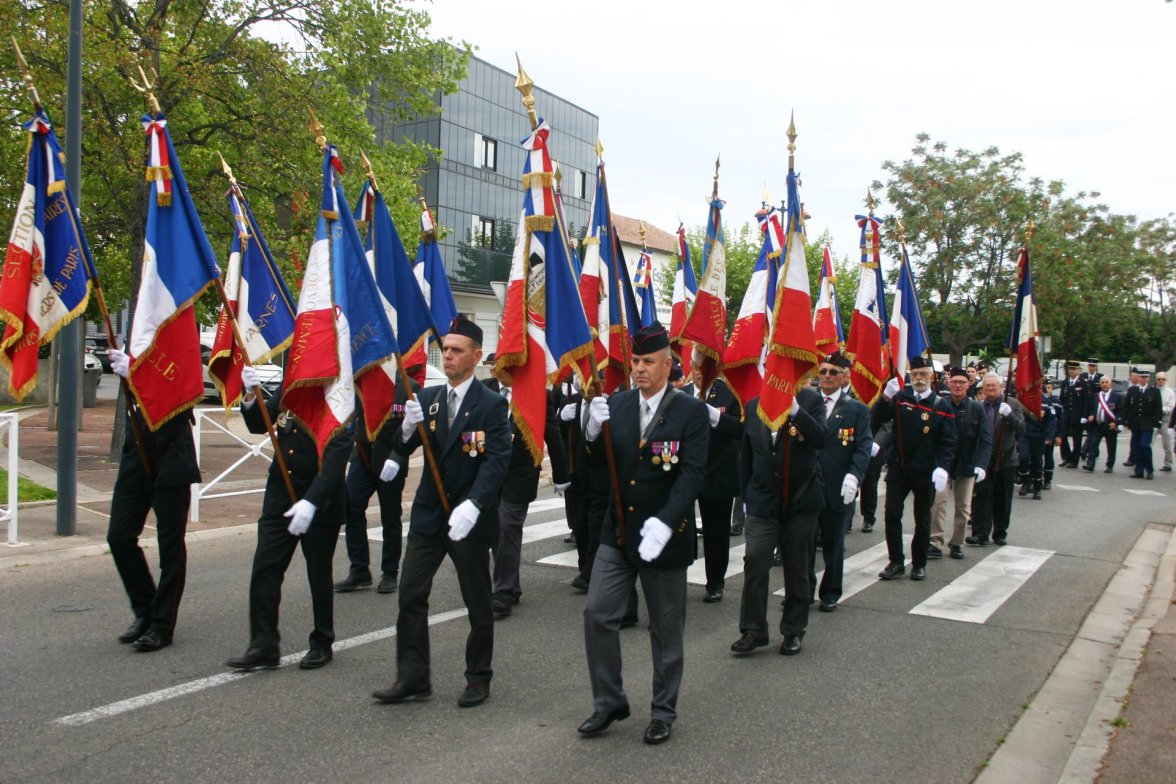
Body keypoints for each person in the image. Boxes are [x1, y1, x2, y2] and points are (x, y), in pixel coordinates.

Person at [577, 323, 708, 746]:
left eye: (648, 361)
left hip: (664, 537)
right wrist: (591, 435)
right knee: (597, 614)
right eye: (635, 361)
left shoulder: (690, 411)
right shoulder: (616, 404)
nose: (638, 369)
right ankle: (609, 701)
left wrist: (666, 521)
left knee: (665, 630)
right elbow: (597, 469)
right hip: (618, 533)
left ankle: (663, 710)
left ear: (668, 365)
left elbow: (692, 475)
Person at [371, 317, 511, 708]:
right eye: (445, 349)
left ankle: (478, 677)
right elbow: (409, 444)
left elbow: (497, 460)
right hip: (430, 515)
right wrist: (404, 433)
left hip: (468, 519)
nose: (447, 356)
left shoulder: (491, 404)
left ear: (476, 357)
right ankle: (413, 677)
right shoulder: (429, 398)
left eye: (456, 350)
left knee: (477, 602)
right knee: (411, 593)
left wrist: (475, 503)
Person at [225, 365, 352, 671]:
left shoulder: (340, 394)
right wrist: (250, 395)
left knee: (318, 574)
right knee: (265, 569)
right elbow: (259, 424)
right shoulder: (291, 385)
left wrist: (312, 501)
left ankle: (322, 641)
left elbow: (338, 454)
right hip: (281, 495)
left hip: (320, 500)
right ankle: (263, 645)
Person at [105, 348, 200, 652]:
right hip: (137, 454)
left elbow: (182, 393)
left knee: (170, 546)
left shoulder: (178, 339)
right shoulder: (138, 337)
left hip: (171, 457)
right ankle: (145, 610)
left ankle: (162, 624)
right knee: (119, 536)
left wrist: (136, 374)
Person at [731, 380, 827, 653]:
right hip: (763, 500)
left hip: (801, 500)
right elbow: (747, 456)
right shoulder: (753, 406)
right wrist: (746, 497)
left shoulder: (810, 401)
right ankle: (753, 630)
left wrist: (796, 411)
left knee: (797, 567)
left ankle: (793, 630)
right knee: (755, 561)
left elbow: (822, 438)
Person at [483, 376, 569, 617]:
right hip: (488, 470)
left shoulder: (537, 394)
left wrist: (561, 474)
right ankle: (511, 584)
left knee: (507, 526)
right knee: (494, 530)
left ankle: (503, 591)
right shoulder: (484, 388)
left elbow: (551, 433)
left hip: (521, 472)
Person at [872, 357, 957, 580]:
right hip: (899, 467)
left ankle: (919, 563)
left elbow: (948, 441)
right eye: (915, 374)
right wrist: (885, 398)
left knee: (922, 519)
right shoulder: (900, 399)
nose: (919, 378)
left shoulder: (941, 405)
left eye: (923, 374)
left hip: (925, 470)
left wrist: (942, 467)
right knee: (892, 514)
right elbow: (877, 419)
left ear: (931, 376)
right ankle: (895, 561)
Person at [335, 384, 417, 595]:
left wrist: (397, 458)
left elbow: (413, 431)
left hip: (391, 460)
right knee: (352, 508)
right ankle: (359, 570)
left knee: (390, 516)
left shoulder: (407, 386)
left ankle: (390, 572)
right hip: (362, 457)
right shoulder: (362, 381)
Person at [809, 352, 871, 610]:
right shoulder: (808, 402)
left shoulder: (856, 409)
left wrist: (854, 476)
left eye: (833, 372)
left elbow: (863, 447)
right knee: (804, 543)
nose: (826, 376)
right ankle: (803, 590)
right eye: (823, 371)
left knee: (833, 544)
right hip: (807, 486)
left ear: (845, 376)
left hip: (837, 485)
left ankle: (831, 592)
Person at [929, 366, 991, 560]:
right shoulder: (940, 405)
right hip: (943, 464)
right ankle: (935, 541)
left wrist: (981, 464)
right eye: (954, 382)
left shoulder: (976, 408)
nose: (957, 385)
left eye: (962, 382)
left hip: (967, 463)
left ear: (968, 385)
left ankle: (956, 543)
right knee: (938, 503)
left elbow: (985, 439)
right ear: (948, 383)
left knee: (963, 508)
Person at [694, 366, 744, 603]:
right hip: (686, 470)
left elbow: (740, 428)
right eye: (695, 366)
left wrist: (716, 417)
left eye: (702, 366)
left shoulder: (729, 392)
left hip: (717, 472)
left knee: (716, 532)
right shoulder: (682, 393)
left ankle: (715, 582)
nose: (698, 372)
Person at [967, 374, 1026, 547]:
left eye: (994, 386)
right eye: (987, 386)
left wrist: (1009, 415)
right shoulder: (978, 406)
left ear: (1001, 387)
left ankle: (1000, 533)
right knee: (982, 496)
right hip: (984, 459)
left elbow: (1022, 428)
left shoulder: (1012, 404)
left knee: (1003, 498)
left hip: (1006, 459)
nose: (990, 389)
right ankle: (980, 533)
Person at [1017, 388, 1057, 500]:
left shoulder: (1046, 401)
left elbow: (1051, 420)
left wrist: (1049, 437)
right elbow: (1018, 418)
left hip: (1039, 435)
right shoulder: (1023, 399)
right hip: (1025, 434)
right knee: (1023, 458)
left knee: (1037, 462)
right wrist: (1016, 437)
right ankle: (1026, 481)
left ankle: (1037, 488)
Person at [1126, 368, 1163, 480]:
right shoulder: (1132, 390)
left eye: (1146, 377)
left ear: (1149, 378)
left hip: (1147, 424)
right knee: (1137, 447)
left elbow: (1158, 409)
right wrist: (1124, 421)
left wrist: (1157, 423)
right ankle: (1139, 471)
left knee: (1145, 446)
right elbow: (1127, 406)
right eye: (1142, 377)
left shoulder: (1154, 391)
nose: (1144, 379)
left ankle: (1149, 470)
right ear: (1138, 378)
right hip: (1135, 423)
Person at [1083, 375, 1122, 473]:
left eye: (1106, 382)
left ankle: (1109, 466)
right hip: (1098, 424)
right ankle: (1090, 464)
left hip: (1110, 425)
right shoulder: (1096, 396)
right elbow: (1092, 408)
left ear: (1110, 384)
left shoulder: (1116, 396)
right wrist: (1091, 415)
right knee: (1093, 445)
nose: (1104, 384)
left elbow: (1120, 412)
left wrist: (1116, 423)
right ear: (1100, 384)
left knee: (1111, 447)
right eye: (1102, 383)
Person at [1059, 360, 1091, 467]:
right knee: (1062, 435)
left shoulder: (1083, 383)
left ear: (1078, 370)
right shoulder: (1065, 382)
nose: (1071, 371)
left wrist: (1085, 416)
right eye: (1070, 369)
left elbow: (1086, 401)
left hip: (1078, 414)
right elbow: (1062, 398)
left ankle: (1074, 460)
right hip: (1066, 413)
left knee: (1077, 438)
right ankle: (1067, 457)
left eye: (1074, 369)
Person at [1157, 371, 1174, 472]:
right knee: (1148, 443)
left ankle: (1168, 463)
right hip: (1154, 420)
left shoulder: (1170, 392)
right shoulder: (1153, 390)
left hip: (1165, 420)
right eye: (1159, 379)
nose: (1161, 381)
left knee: (1166, 444)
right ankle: (1145, 461)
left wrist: (1160, 409)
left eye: (1163, 379)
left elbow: (1171, 407)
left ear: (1166, 380)